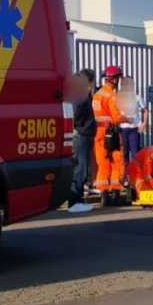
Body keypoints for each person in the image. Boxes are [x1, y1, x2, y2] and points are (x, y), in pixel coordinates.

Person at [92, 63, 125, 204]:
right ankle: (115, 193)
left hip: (98, 133)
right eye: (118, 78)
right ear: (114, 79)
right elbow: (116, 117)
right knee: (116, 161)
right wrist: (126, 118)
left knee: (102, 162)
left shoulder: (97, 95)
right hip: (111, 132)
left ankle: (104, 195)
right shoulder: (111, 95)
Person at [68, 68, 96, 214]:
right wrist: (76, 128)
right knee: (80, 169)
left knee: (82, 169)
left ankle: (78, 200)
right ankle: (74, 202)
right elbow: (75, 113)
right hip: (81, 136)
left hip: (84, 135)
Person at [118, 75, 148, 176]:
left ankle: (136, 175)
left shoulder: (137, 97)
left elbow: (145, 110)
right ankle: (126, 175)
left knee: (135, 154)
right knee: (124, 154)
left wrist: (144, 123)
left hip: (134, 130)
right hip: (122, 130)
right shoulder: (118, 98)